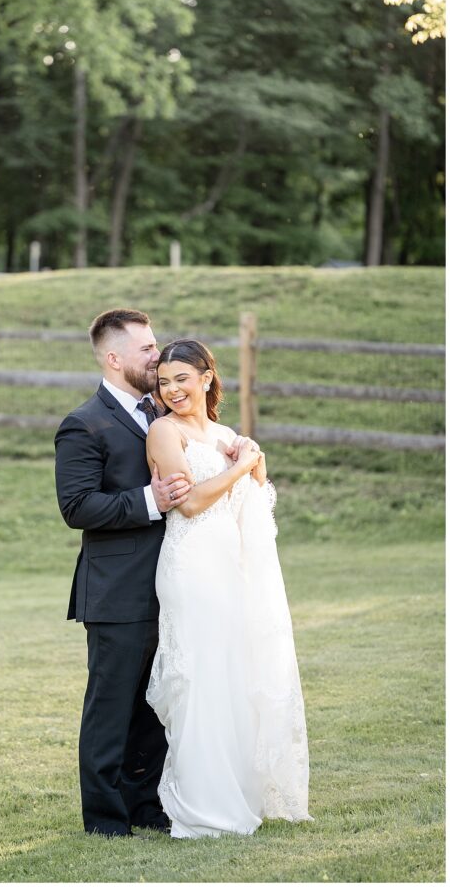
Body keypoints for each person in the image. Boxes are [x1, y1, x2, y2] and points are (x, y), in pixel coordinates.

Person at [145, 338, 312, 838]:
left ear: (206, 377)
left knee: (232, 675)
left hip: (229, 565)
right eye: (164, 381)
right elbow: (189, 503)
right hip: (190, 565)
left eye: (181, 378)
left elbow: (254, 500)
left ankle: (239, 790)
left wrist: (255, 466)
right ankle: (201, 804)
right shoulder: (163, 431)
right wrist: (240, 466)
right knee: (199, 677)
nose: (172, 389)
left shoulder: (226, 435)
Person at [54, 308, 197, 837]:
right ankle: (106, 820)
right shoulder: (83, 423)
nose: (157, 356)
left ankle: (147, 808)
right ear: (114, 358)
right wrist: (148, 500)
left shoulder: (160, 412)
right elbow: (76, 506)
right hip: (116, 593)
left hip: (172, 585)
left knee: (154, 706)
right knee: (110, 709)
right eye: (146, 349)